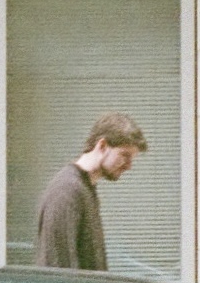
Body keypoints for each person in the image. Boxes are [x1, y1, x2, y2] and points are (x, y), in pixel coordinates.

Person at [32, 113, 145, 270]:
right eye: (124, 155)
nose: (129, 166)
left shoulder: (83, 188)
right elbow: (57, 268)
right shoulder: (67, 191)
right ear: (102, 146)